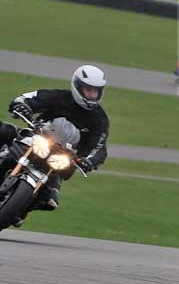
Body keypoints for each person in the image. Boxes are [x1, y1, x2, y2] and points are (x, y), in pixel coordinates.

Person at [0, 64, 109, 221]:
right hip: (39, 138)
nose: (92, 94)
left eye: (96, 91)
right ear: (78, 86)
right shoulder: (59, 97)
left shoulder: (100, 119)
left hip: (64, 157)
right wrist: (21, 106)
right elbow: (28, 99)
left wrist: (89, 161)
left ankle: (21, 210)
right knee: (4, 131)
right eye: (88, 90)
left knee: (50, 199)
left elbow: (100, 146)